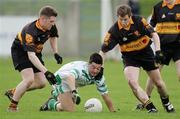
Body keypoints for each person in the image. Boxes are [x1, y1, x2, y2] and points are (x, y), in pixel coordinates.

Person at [99, 5, 175, 113]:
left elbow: (154, 34)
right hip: (130, 58)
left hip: (146, 53)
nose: (123, 22)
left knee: (159, 83)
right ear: (117, 17)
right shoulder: (114, 30)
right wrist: (100, 67)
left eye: (125, 19)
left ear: (130, 16)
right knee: (132, 82)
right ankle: (150, 107)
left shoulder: (139, 21)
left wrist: (158, 51)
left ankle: (166, 102)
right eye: (121, 19)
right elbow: (102, 51)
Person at [5, 6, 63, 112]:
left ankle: (14, 92)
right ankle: (12, 107)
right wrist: (46, 72)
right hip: (21, 51)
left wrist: (56, 53)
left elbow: (53, 37)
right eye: (51, 21)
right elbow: (30, 55)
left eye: (54, 21)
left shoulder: (51, 26)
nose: (53, 23)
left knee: (41, 83)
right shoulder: (30, 31)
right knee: (29, 79)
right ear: (42, 19)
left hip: (35, 52)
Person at [136, 0, 180, 110]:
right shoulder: (157, 7)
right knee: (153, 76)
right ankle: (145, 101)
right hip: (162, 47)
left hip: (178, 46)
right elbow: (151, 26)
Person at [39, 53, 115, 112]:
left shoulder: (99, 77)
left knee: (71, 102)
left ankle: (57, 95)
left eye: (98, 68)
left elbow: (105, 95)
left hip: (72, 82)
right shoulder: (81, 70)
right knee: (69, 110)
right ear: (88, 64)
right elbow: (70, 77)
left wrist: (112, 111)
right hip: (60, 79)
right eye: (93, 67)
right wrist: (74, 92)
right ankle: (51, 103)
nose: (95, 71)